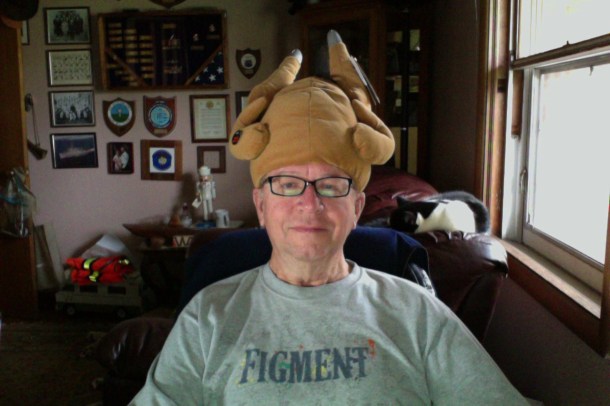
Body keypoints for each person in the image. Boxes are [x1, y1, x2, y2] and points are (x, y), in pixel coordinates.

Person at [130, 31, 528, 405]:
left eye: (331, 184)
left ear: (356, 208)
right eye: (287, 184)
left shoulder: (418, 314)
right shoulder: (207, 317)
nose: (310, 202)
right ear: (261, 206)